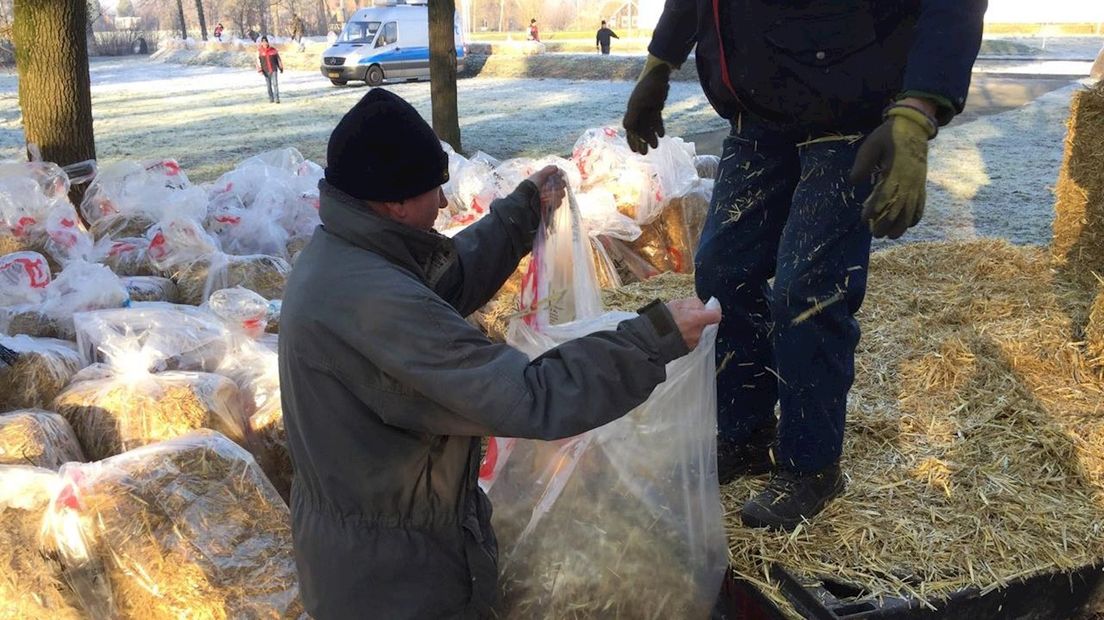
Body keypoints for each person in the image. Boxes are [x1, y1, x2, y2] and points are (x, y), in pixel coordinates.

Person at [279, 88, 721, 618]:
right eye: (433, 190)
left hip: (367, 559)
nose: (444, 204)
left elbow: (447, 278)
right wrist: (655, 338)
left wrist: (522, 212)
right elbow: (529, 397)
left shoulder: (345, 256)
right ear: (394, 202)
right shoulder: (374, 305)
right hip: (399, 585)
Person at [624, 2, 986, 531]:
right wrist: (659, 62)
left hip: (848, 111)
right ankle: (744, 432)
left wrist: (918, 108)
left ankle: (811, 465)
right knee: (723, 273)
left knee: (807, 290)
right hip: (757, 116)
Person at [256, 36, 284, 104]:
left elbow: (278, 59)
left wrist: (280, 67)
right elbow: (258, 61)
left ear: (268, 42)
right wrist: (260, 69)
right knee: (269, 86)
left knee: (275, 84)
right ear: (261, 43)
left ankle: (277, 99)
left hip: (273, 69)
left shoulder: (273, 50)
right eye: (263, 42)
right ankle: (271, 98)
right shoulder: (259, 51)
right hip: (265, 71)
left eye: (266, 42)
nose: (265, 43)